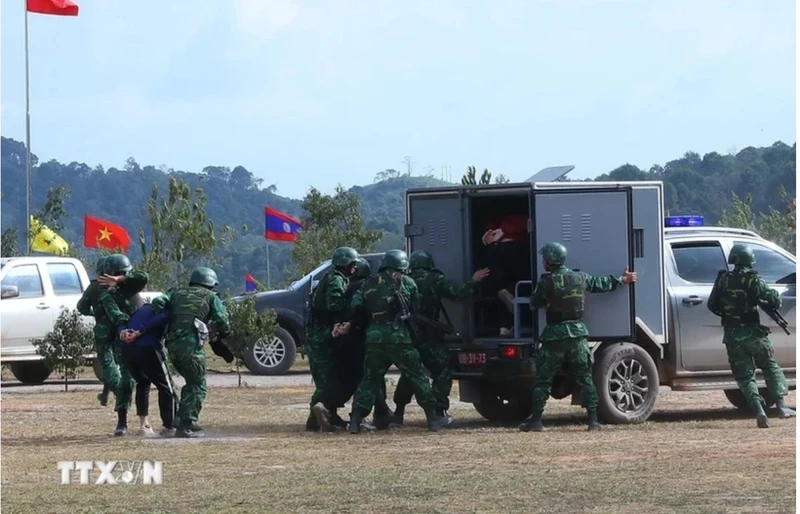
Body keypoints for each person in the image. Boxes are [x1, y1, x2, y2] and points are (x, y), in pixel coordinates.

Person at [520, 242, 637, 433]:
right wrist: (623, 279)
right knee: (585, 378)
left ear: (549, 261)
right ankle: (593, 421)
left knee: (543, 380)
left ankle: (536, 421)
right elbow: (602, 284)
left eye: (544, 259)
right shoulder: (580, 277)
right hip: (577, 335)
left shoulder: (546, 282)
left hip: (554, 336)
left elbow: (535, 303)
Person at [339, 249, 452, 433]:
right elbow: (414, 308)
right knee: (418, 377)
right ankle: (433, 418)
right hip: (400, 339)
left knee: (369, 379)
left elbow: (354, 307)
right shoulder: (407, 283)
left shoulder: (368, 284)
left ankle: (355, 421)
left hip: (374, 339)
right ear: (402, 266)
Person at [393, 249, 489, 425]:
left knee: (410, 372)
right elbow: (458, 293)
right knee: (442, 371)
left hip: (407, 334)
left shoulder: (403, 281)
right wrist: (474, 280)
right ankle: (439, 410)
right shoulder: (435, 279)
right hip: (429, 337)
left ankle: (398, 412)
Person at [707, 244, 796, 428]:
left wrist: (729, 315)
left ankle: (759, 410)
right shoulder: (752, 279)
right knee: (770, 366)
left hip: (732, 335)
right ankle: (781, 406)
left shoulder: (723, 279)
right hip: (753, 333)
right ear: (748, 260)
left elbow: (712, 305)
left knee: (745, 377)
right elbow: (775, 299)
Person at [151, 267, 230, 438]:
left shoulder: (175, 292)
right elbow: (223, 321)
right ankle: (185, 425)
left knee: (190, 382)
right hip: (192, 346)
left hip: (172, 345)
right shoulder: (211, 297)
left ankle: (183, 419)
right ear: (210, 284)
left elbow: (158, 302)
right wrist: (222, 333)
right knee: (197, 385)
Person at [78, 253, 148, 436]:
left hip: (106, 332)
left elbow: (81, 307)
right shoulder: (128, 290)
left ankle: (120, 403)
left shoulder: (95, 288)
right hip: (125, 334)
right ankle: (121, 404)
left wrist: (96, 313)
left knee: (110, 368)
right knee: (125, 374)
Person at [327, 258, 394, 431]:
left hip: (344, 342)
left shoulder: (348, 288)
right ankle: (370, 415)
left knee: (359, 378)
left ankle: (379, 412)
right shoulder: (366, 288)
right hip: (361, 340)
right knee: (369, 378)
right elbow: (361, 314)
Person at [305, 247, 360, 432]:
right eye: (352, 263)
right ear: (344, 264)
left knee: (330, 378)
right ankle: (315, 418)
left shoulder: (334, 277)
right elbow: (335, 304)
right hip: (321, 334)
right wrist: (353, 298)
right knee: (326, 380)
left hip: (322, 333)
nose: (354, 267)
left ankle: (327, 416)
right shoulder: (336, 279)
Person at [116, 302, 178, 437]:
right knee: (165, 386)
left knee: (142, 382)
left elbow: (122, 323)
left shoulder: (140, 310)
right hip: (148, 348)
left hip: (127, 350)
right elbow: (159, 319)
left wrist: (123, 333)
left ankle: (144, 425)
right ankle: (169, 426)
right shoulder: (166, 309)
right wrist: (140, 332)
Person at [481, 213, 529, 336]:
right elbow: (527, 221)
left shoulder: (496, 211)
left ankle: (505, 325)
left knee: (500, 288)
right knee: (522, 282)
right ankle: (515, 321)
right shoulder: (519, 212)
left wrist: (489, 231)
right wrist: (503, 230)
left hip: (494, 249)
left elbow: (492, 224)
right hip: (512, 248)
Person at [76, 256, 111, 407]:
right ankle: (106, 394)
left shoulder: (94, 287)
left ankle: (113, 393)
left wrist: (93, 312)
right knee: (117, 364)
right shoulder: (123, 286)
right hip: (123, 329)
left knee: (108, 364)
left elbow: (81, 307)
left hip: (103, 331)